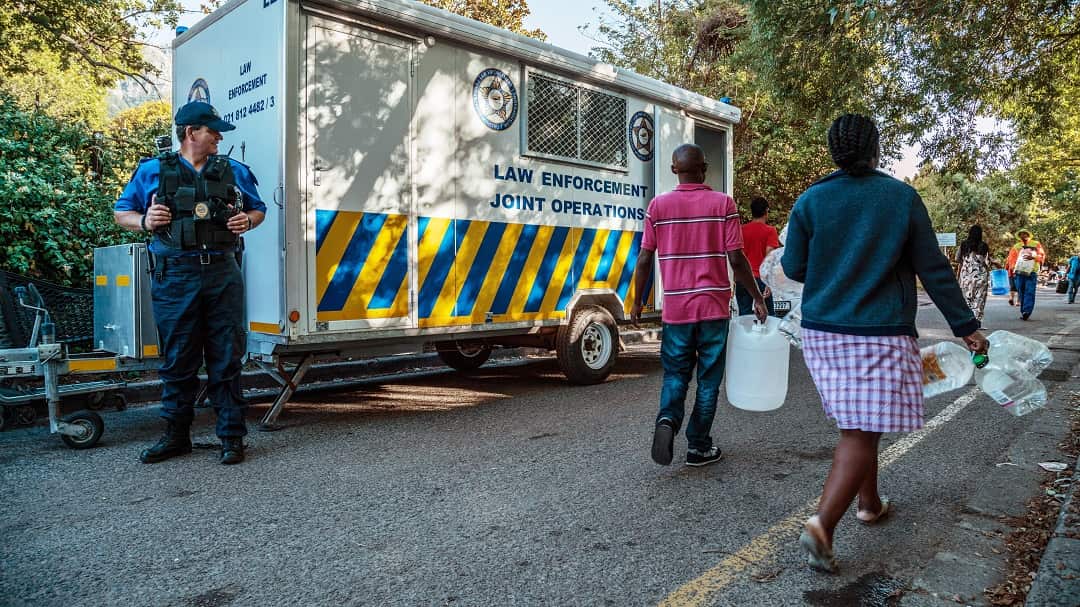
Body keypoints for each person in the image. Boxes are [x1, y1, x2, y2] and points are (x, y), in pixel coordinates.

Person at [781, 114, 987, 573]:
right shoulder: (900, 197)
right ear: (875, 150)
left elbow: (794, 267)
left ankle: (869, 503)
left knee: (859, 422)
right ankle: (822, 525)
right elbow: (933, 268)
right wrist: (966, 325)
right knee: (860, 429)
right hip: (878, 332)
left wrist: (834, 267)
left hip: (823, 334)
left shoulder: (811, 199)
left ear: (834, 152)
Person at [114, 101, 266, 465]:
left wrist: (248, 220)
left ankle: (231, 437)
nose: (218, 138)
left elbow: (258, 209)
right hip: (175, 276)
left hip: (222, 273)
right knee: (178, 359)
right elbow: (122, 212)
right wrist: (145, 221)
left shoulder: (233, 170)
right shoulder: (152, 170)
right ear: (190, 133)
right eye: (212, 131)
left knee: (226, 356)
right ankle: (176, 436)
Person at [631, 144, 767, 468]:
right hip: (713, 309)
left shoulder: (658, 206)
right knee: (708, 381)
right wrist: (758, 297)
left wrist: (637, 301)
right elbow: (736, 258)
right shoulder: (723, 204)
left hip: (676, 310)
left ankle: (667, 419)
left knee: (675, 375)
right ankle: (699, 446)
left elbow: (645, 258)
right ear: (704, 169)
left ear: (674, 169)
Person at [735, 196, 780, 316]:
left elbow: (736, 256)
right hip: (761, 279)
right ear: (766, 211)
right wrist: (769, 283)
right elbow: (770, 257)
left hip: (743, 279)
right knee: (768, 317)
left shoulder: (741, 230)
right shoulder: (770, 231)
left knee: (744, 318)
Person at [1004, 230, 1046, 320]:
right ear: (1019, 236)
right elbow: (1011, 259)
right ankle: (1023, 311)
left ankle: (1027, 311)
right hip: (1019, 272)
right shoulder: (1016, 246)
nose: (1023, 236)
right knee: (1021, 291)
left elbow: (1041, 256)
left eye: (1025, 234)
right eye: (1021, 234)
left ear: (1029, 235)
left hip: (1032, 271)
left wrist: (1034, 257)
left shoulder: (1036, 244)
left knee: (1030, 291)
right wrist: (1012, 270)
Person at [955, 224, 991, 321]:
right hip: (980, 276)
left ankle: (968, 320)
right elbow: (987, 262)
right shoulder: (984, 246)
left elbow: (957, 259)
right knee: (979, 299)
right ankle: (977, 320)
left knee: (967, 298)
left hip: (966, 276)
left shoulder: (963, 245)